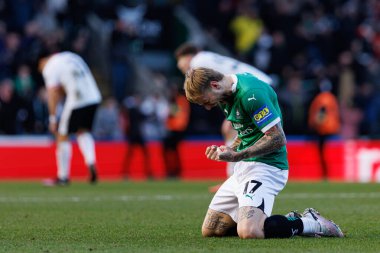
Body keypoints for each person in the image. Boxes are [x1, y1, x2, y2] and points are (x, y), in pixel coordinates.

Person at [183, 67, 344, 239]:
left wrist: (237, 155)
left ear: (214, 85)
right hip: (244, 167)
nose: (207, 107)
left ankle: (309, 222)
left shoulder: (251, 94)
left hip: (267, 166)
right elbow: (245, 132)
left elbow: (277, 138)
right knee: (212, 230)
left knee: (249, 231)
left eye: (205, 101)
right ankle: (271, 222)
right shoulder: (225, 94)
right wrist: (231, 149)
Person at [175, 43, 272, 191]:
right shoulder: (208, 57)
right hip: (258, 83)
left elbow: (216, 85)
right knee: (235, 131)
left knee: (234, 130)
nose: (184, 70)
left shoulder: (197, 63)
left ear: (188, 57)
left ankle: (233, 180)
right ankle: (237, 178)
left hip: (255, 88)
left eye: (182, 66)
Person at [39, 51, 102, 185]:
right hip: (94, 97)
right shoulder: (72, 56)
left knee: (62, 135)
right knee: (83, 131)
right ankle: (91, 162)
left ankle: (63, 177)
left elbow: (52, 93)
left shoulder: (49, 66)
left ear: (43, 60)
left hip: (77, 99)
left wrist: (52, 118)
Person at [308, 82, 340, 180]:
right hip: (331, 128)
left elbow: (322, 112)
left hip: (324, 129)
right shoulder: (331, 97)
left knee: (323, 153)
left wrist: (316, 124)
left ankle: (325, 174)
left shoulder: (323, 98)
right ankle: (326, 174)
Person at [163, 84, 191, 179]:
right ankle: (175, 170)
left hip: (176, 129)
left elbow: (173, 113)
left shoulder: (178, 100)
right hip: (177, 128)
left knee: (169, 150)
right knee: (173, 150)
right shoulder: (182, 100)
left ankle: (173, 170)